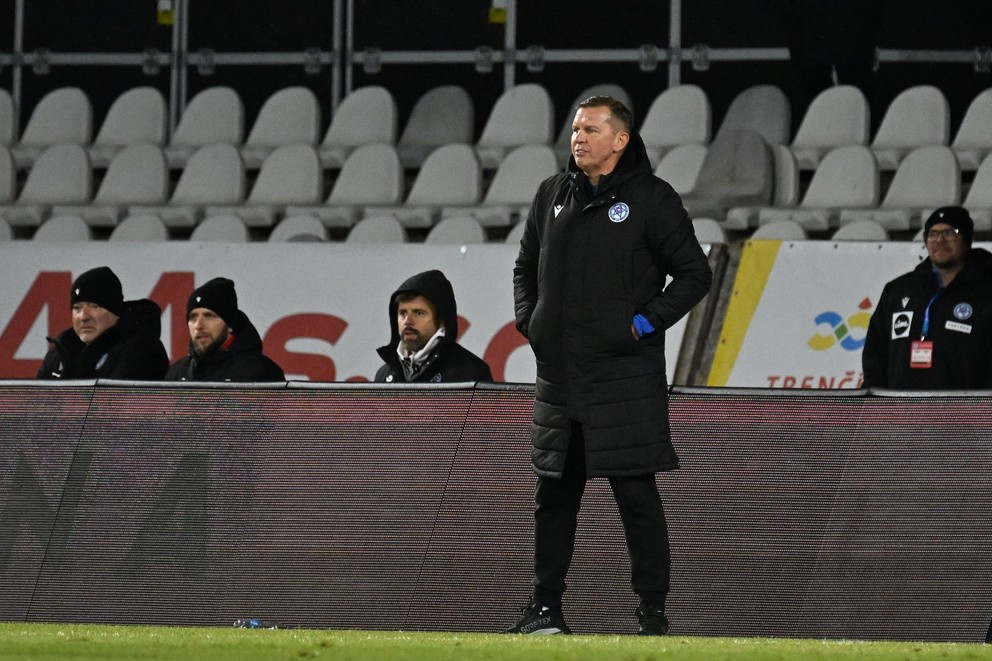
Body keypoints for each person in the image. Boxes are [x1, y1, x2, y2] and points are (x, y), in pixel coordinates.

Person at [509, 96, 712, 635]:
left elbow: (695, 274)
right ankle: (544, 609)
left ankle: (651, 615)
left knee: (635, 495)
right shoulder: (551, 194)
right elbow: (525, 267)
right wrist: (532, 323)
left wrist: (641, 326)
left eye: (592, 130)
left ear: (620, 140)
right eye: (575, 129)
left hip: (624, 375)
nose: (578, 138)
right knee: (553, 496)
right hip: (560, 377)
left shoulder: (651, 198)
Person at [862, 207, 992, 389]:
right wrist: (875, 402)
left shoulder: (986, 292)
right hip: (901, 411)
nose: (939, 240)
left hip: (964, 412)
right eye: (932, 234)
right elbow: (875, 352)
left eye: (949, 233)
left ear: (966, 240)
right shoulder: (898, 290)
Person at [38, 266, 169, 380]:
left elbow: (115, 404)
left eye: (94, 306)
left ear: (115, 311)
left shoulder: (140, 348)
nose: (83, 317)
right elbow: (35, 402)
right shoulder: (60, 351)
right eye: (77, 308)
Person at [374, 269, 493, 383]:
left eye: (418, 313)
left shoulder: (470, 372)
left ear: (441, 320)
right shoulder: (384, 375)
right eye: (402, 313)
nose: (407, 321)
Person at [165, 277, 285, 382]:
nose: (198, 325)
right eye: (193, 317)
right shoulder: (177, 372)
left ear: (230, 325)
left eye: (209, 316)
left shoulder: (260, 372)